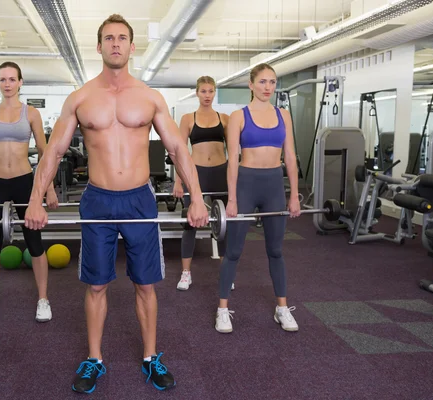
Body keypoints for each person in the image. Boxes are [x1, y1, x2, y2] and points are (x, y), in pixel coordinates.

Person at [24, 14, 209, 394]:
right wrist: (34, 201)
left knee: (146, 284)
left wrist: (198, 198)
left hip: (140, 200)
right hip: (98, 200)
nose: (115, 43)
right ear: (98, 46)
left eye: (122, 38)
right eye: (108, 38)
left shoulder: (150, 97)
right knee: (95, 286)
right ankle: (94, 359)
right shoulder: (80, 98)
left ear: (131, 46)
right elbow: (53, 152)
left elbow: (177, 148)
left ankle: (150, 358)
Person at [0, 61, 59, 324]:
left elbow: (44, 152)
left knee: (34, 242)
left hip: (24, 181)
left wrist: (48, 189)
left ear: (20, 82)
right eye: (2, 79)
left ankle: (43, 299)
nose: (7, 84)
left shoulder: (31, 114)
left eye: (11, 79)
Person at [215, 63, 301, 334]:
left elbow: (289, 156)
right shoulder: (238, 116)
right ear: (250, 85)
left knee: (276, 250)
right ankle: (222, 310)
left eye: (272, 82)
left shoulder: (284, 114)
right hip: (246, 184)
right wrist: (231, 199)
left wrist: (294, 195)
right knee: (234, 251)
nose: (268, 87)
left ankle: (282, 308)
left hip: (274, 185)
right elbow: (232, 161)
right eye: (262, 82)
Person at [173, 76, 230, 291]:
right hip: (195, 174)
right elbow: (179, 152)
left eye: (211, 91)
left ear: (214, 93)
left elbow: (233, 151)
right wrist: (179, 181)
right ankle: (186, 273)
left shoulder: (224, 119)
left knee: (224, 225)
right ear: (197, 93)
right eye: (203, 91)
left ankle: (226, 273)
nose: (207, 95)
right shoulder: (188, 119)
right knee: (190, 223)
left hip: (220, 172)